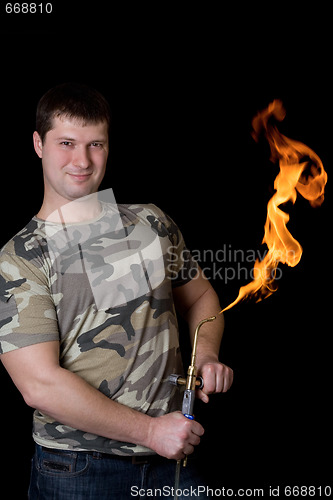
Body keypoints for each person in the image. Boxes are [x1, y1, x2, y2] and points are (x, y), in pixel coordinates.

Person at [0, 82, 233, 499]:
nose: (82, 160)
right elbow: (39, 384)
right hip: (79, 469)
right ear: (38, 144)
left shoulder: (150, 221)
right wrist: (150, 432)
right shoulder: (23, 255)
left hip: (175, 457)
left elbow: (201, 299)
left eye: (96, 145)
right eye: (66, 143)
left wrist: (207, 355)